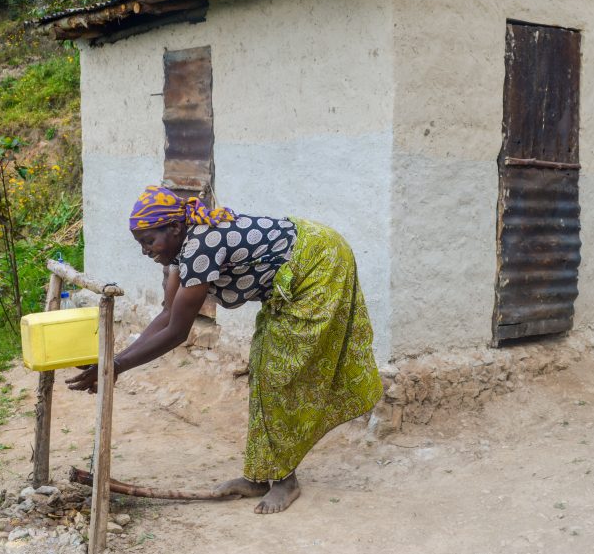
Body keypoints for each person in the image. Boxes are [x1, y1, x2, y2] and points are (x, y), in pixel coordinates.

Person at [67, 185, 383, 514]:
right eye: (141, 243)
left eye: (149, 240)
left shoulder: (201, 246)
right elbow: (167, 314)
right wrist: (113, 360)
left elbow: (177, 332)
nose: (145, 251)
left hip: (320, 265)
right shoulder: (181, 251)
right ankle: (262, 475)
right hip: (299, 266)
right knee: (263, 370)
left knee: (281, 373)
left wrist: (117, 366)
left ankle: (285, 480)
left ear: (174, 228)